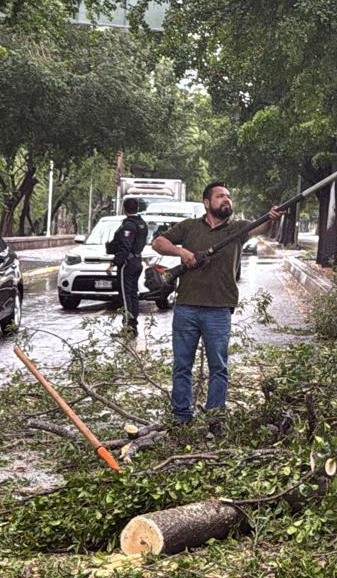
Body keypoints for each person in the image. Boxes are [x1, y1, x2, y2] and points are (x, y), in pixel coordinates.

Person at [151, 182, 281, 431]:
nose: (226, 200)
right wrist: (183, 253)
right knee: (182, 365)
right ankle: (181, 418)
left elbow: (262, 226)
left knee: (218, 367)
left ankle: (215, 420)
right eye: (220, 196)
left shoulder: (238, 229)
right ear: (206, 202)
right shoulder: (189, 227)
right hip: (187, 307)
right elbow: (158, 243)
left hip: (219, 309)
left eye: (229, 196)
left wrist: (272, 217)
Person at [108, 198, 148, 335]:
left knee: (125, 296)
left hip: (128, 264)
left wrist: (114, 263)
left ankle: (128, 328)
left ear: (124, 209)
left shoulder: (129, 225)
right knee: (133, 295)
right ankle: (133, 327)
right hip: (137, 261)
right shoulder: (142, 224)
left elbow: (125, 248)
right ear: (137, 208)